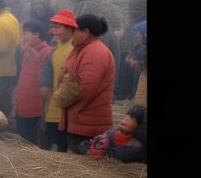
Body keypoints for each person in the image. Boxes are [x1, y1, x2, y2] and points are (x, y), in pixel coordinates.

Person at [58, 14, 116, 154]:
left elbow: (86, 88)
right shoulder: (83, 48)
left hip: (88, 120)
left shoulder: (94, 52)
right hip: (81, 118)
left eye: (75, 31)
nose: (72, 34)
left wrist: (75, 110)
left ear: (86, 32)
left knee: (84, 163)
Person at [39, 9, 77, 152]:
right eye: (53, 27)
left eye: (58, 27)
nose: (54, 31)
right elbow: (48, 69)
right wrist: (45, 84)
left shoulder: (76, 48)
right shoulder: (55, 49)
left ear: (70, 28)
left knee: (63, 145)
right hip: (53, 104)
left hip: (67, 106)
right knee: (52, 141)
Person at [13, 21, 51, 144]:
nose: (23, 38)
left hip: (36, 106)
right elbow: (20, 73)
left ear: (37, 34)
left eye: (26, 34)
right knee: (22, 136)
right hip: (23, 102)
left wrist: (33, 56)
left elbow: (44, 79)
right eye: (22, 35)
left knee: (32, 140)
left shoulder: (47, 51)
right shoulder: (26, 51)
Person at [78, 105, 145, 160]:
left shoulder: (135, 143)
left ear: (139, 126)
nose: (125, 120)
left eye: (132, 119)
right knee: (84, 144)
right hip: (99, 151)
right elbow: (97, 143)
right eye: (126, 116)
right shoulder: (110, 133)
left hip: (113, 155)